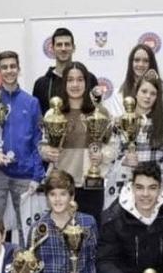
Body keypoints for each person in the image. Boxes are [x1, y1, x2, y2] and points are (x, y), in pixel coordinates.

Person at [0, 50, 44, 246]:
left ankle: (25, 268)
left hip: (24, 173)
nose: (9, 70)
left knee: (26, 226)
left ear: (19, 69)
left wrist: (37, 176)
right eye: (4, 67)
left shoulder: (31, 102)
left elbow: (38, 141)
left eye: (12, 66)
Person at [39, 60, 110, 220]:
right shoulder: (53, 113)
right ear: (64, 83)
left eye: (80, 79)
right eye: (70, 80)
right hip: (61, 187)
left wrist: (103, 155)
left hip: (91, 185)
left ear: (87, 82)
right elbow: (43, 146)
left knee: (90, 234)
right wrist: (47, 153)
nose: (75, 84)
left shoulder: (101, 112)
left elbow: (111, 145)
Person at [105, 70, 163, 206]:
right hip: (125, 186)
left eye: (153, 93)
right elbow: (111, 154)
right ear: (136, 92)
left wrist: (157, 180)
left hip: (153, 190)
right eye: (144, 91)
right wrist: (123, 161)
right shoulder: (121, 121)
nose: (148, 97)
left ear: (157, 97)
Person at [33, 28, 97, 114]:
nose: (63, 49)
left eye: (67, 44)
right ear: (52, 48)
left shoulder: (89, 79)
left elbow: (95, 113)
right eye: (59, 45)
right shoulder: (41, 84)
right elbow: (38, 119)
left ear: (73, 48)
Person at [104, 42, 162, 118]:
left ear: (151, 63)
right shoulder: (118, 94)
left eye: (146, 61)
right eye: (137, 60)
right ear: (131, 63)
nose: (141, 64)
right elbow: (116, 123)